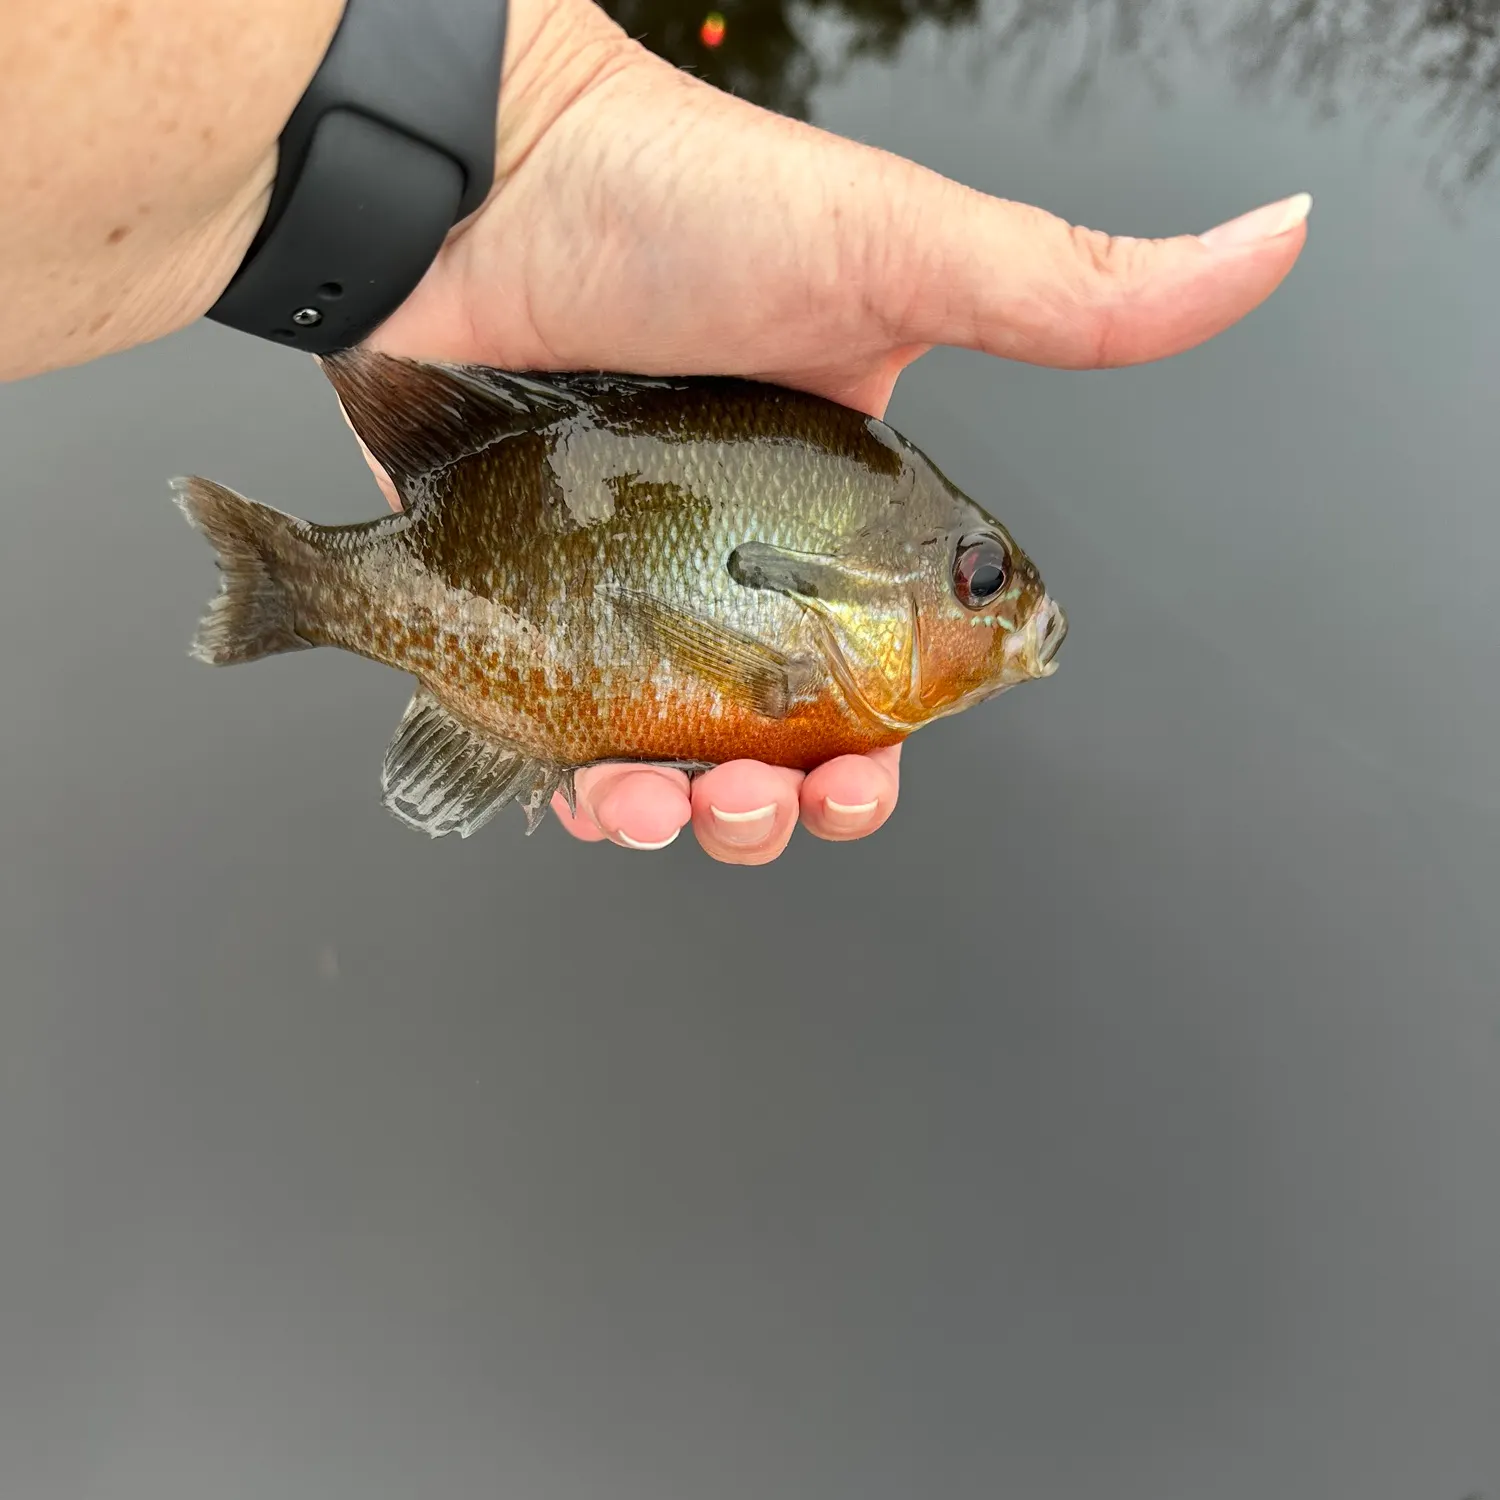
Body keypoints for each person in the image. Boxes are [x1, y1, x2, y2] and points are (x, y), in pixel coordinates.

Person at [1, 0, 1308, 865]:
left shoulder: (840, 621)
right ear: (874, 580)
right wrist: (517, 129)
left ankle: (305, 589)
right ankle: (298, 588)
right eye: (981, 575)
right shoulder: (835, 632)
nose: (1011, 602)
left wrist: (510, 124)